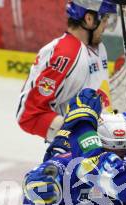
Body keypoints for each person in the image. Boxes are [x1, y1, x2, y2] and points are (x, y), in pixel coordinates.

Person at [16, 0, 117, 141]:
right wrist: (77, 136)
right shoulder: (66, 54)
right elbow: (28, 115)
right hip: (77, 156)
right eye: (105, 19)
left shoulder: (99, 48)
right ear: (89, 19)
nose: (106, 26)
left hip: (103, 148)